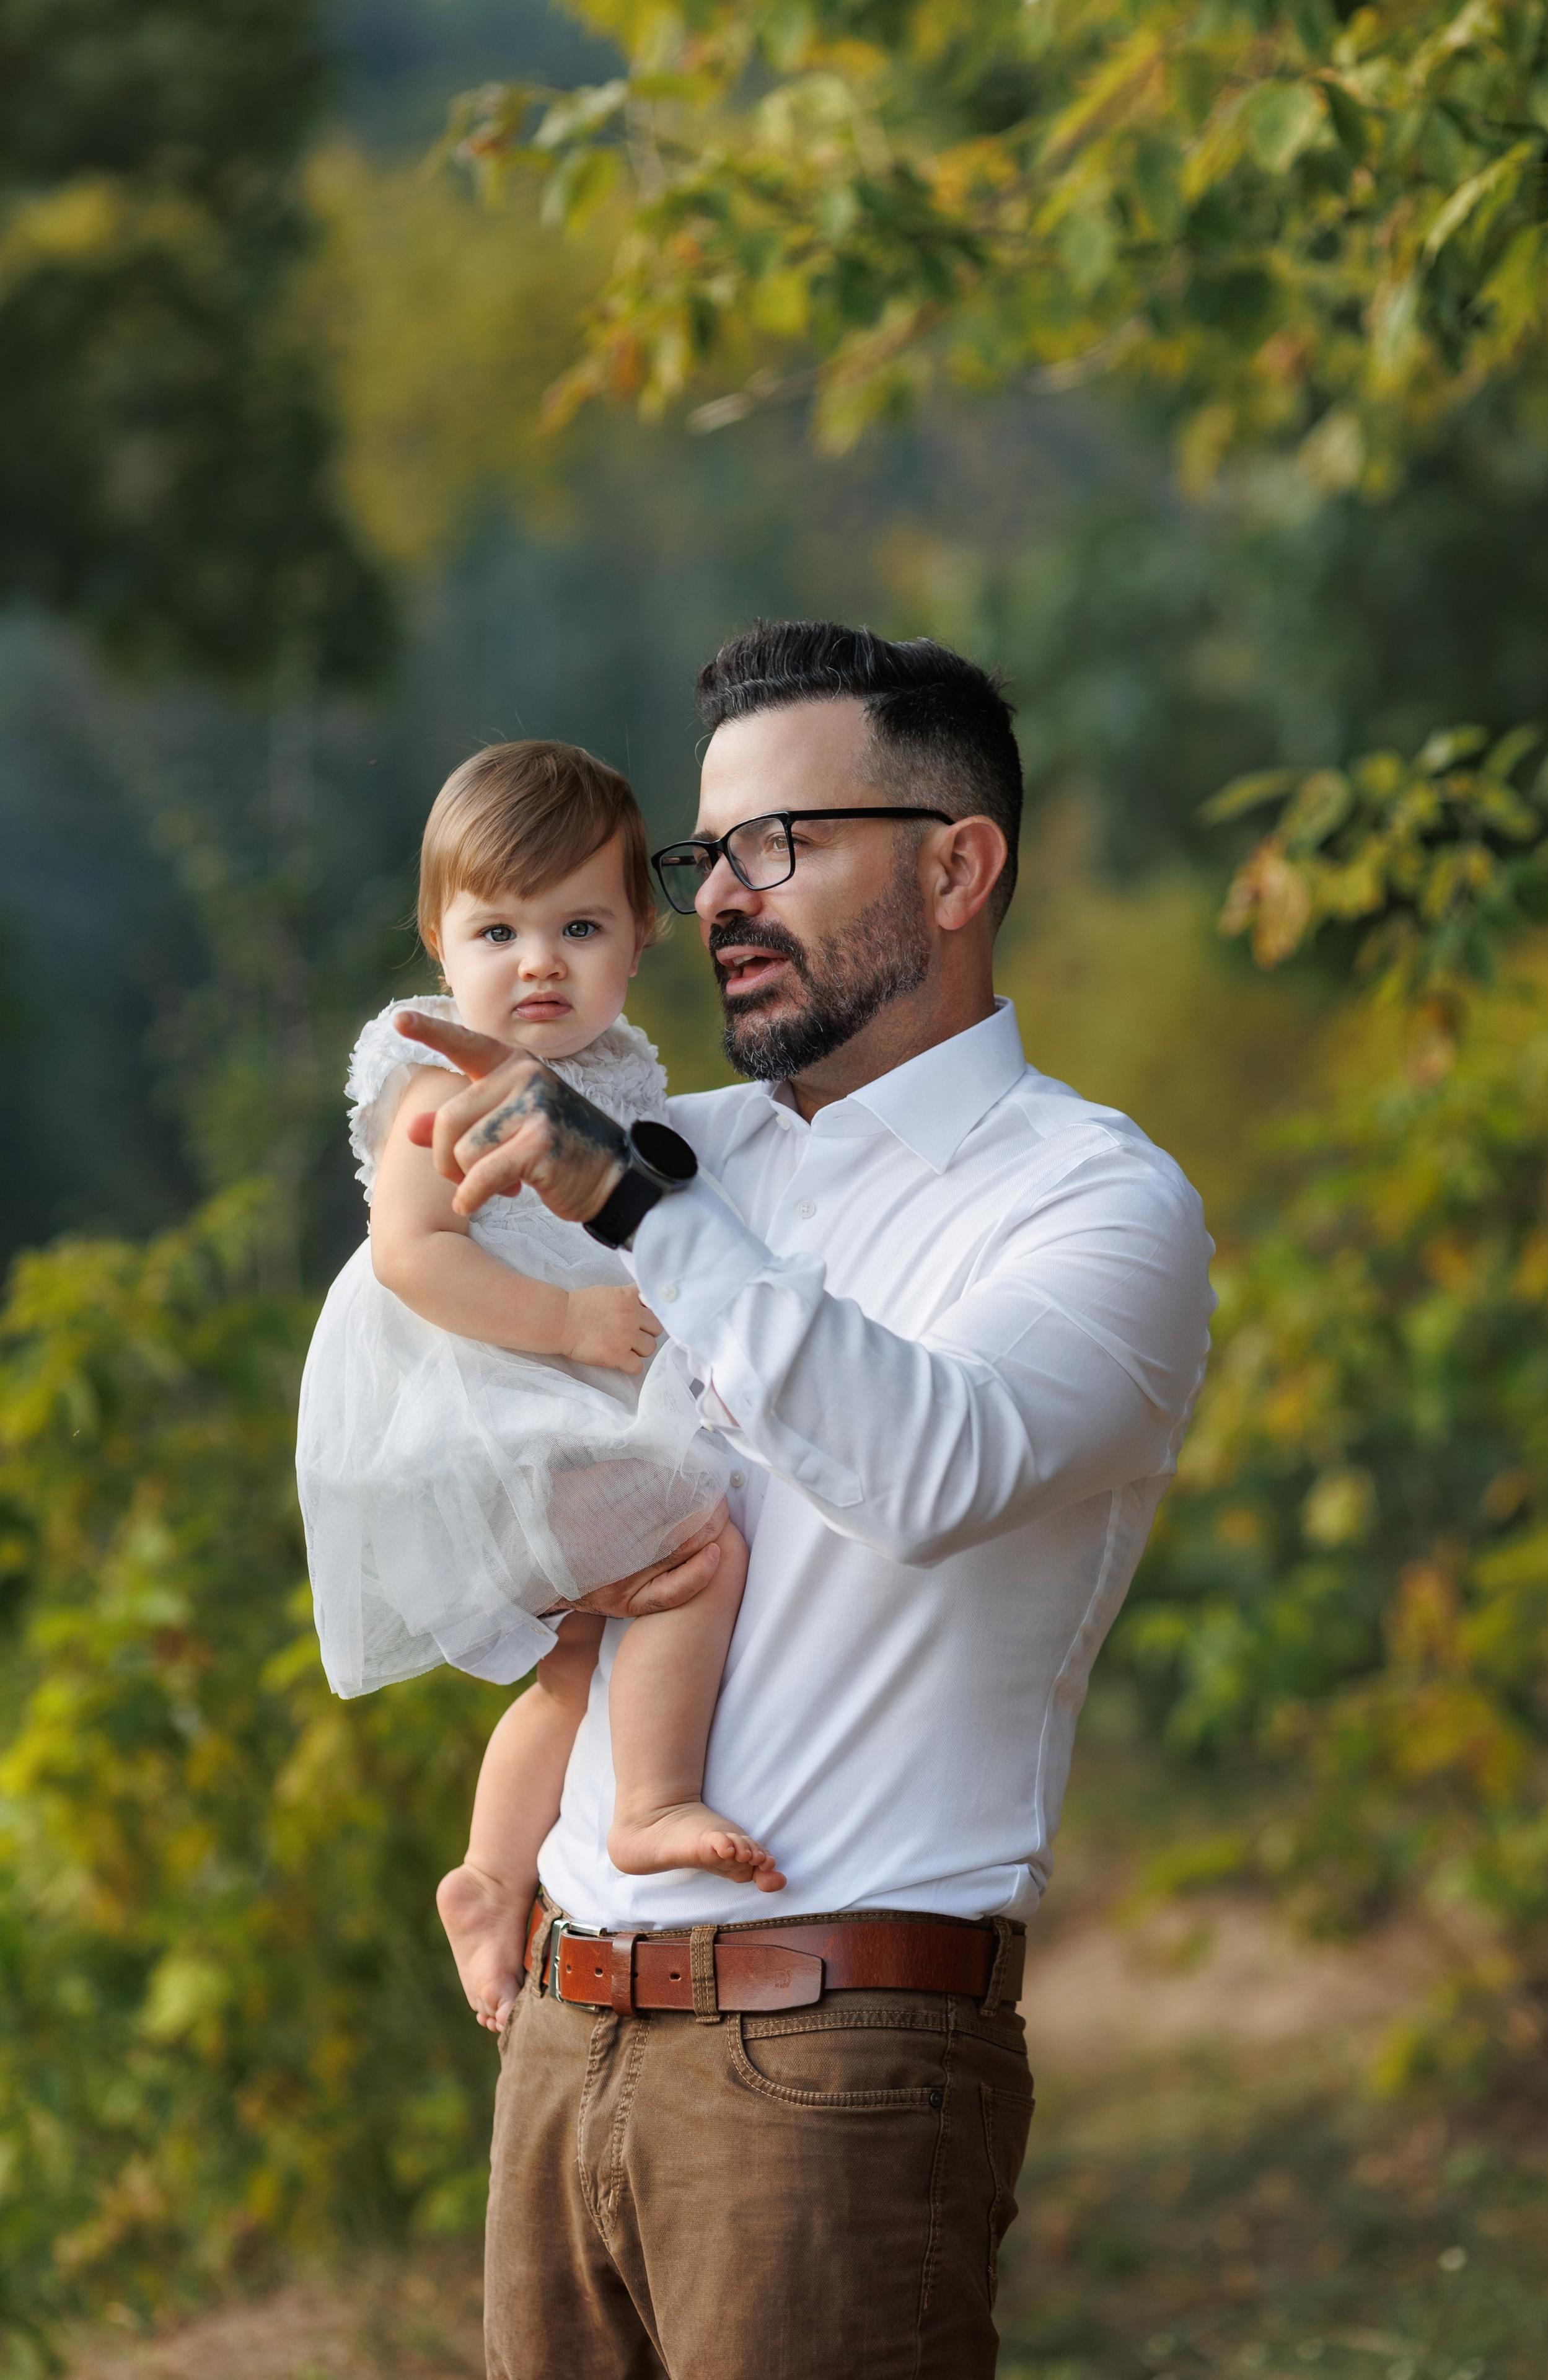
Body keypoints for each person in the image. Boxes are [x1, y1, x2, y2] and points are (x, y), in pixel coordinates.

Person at [400, 622, 1217, 2380]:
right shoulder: (669, 1141)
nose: (717, 900)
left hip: (836, 2057)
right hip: (561, 2035)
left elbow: (935, 1473)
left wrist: (643, 1218)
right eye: (705, 857)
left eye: (782, 844)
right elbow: (440, 1408)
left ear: (956, 865)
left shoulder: (1094, 1205)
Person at [296, 739, 784, 2035]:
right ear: (437, 942)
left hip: (540, 1402)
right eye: (497, 928)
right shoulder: (431, 1065)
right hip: (480, 1403)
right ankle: (647, 1803)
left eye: (579, 924)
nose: (538, 962)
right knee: (699, 1544)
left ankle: (490, 1878)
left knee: (574, 1652)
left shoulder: (623, 1072)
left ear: (641, 938)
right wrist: (570, 1320)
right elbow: (411, 1253)